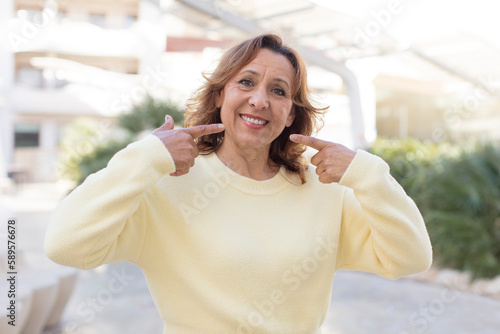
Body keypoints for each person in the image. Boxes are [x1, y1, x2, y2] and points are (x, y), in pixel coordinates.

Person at [44, 34, 432, 333]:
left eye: (279, 91)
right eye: (246, 82)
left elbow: (411, 258)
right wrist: (143, 157)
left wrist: (369, 173)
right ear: (220, 95)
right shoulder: (166, 182)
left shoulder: (324, 190)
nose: (260, 100)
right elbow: (65, 245)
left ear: (290, 113)